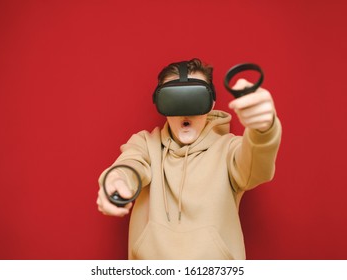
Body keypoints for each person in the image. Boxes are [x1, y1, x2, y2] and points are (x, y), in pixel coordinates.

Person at [96, 58, 282, 259]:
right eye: (174, 100)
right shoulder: (146, 145)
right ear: (161, 103)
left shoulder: (229, 149)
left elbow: (256, 165)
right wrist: (116, 181)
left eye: (194, 98)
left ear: (211, 103)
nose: (185, 110)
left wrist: (263, 129)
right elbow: (131, 164)